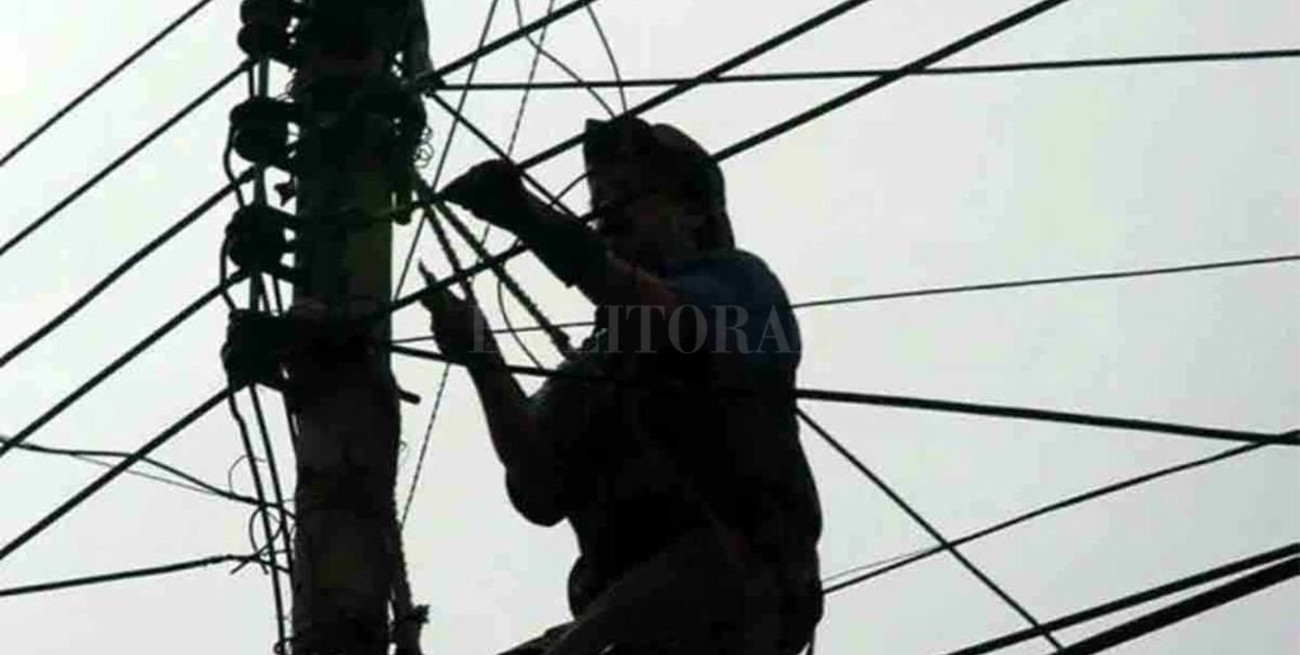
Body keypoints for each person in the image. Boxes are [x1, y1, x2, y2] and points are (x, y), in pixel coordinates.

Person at [420, 116, 822, 654]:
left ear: (694, 212)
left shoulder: (741, 287)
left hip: (732, 580)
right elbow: (538, 485)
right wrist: (481, 356)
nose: (607, 209)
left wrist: (530, 219)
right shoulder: (598, 358)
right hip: (627, 603)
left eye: (629, 193)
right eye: (599, 198)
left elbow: (669, 323)